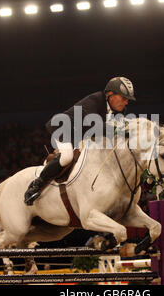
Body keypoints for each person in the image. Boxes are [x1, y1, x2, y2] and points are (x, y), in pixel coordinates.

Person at [24, 77, 136, 205]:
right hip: (63, 128)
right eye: (124, 98)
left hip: (81, 135)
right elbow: (94, 126)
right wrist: (118, 130)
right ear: (110, 94)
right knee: (67, 157)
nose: (126, 102)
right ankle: (36, 185)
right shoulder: (95, 100)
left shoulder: (119, 111)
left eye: (128, 99)